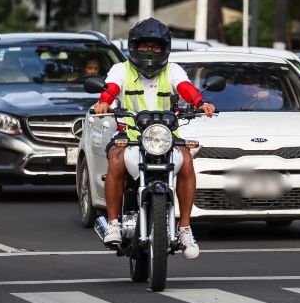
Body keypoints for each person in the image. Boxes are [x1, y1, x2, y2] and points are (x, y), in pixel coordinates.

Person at [92, 18, 216, 259]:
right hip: (129, 133)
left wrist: (201, 103)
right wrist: (104, 102)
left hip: (166, 136)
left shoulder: (173, 69)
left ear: (165, 49)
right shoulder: (121, 70)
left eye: (156, 47)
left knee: (188, 162)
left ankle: (185, 228)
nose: (150, 52)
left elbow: (186, 88)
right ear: (134, 48)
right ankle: (114, 222)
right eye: (144, 47)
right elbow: (110, 89)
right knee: (116, 160)